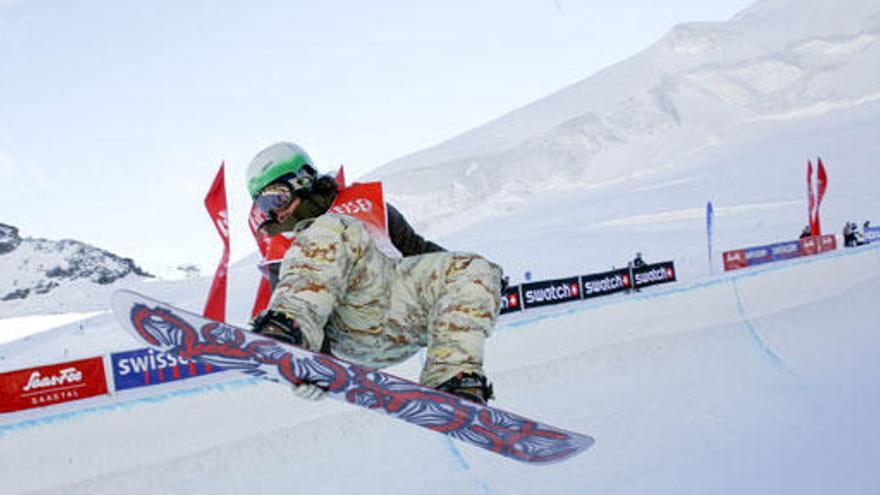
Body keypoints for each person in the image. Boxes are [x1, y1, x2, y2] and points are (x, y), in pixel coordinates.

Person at [246, 142, 503, 404]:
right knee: (332, 226)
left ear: (303, 179)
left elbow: (419, 252)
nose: (274, 212)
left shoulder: (367, 204)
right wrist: (312, 366)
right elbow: (297, 289)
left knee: (477, 267)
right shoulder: (284, 243)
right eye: (263, 207)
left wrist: (477, 282)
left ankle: (452, 378)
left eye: (276, 198)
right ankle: (290, 329)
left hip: (404, 319)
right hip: (348, 328)